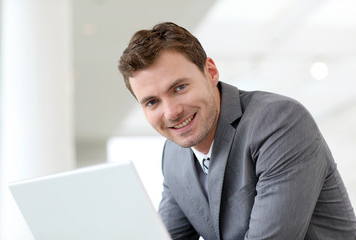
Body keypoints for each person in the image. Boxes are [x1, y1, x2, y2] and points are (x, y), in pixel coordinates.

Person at [118, 22, 356, 240]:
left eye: (179, 87)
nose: (171, 112)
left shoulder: (278, 122)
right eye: (151, 102)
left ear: (210, 72)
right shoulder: (173, 155)